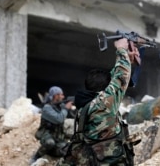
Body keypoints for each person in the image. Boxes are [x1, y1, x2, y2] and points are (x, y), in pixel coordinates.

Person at [58, 38, 140, 166]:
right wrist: (121, 50)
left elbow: (114, 79)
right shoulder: (103, 104)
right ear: (104, 90)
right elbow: (120, 77)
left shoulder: (88, 104)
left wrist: (127, 60)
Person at [31, 86, 73, 163]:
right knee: (50, 143)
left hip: (58, 138)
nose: (63, 97)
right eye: (61, 94)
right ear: (55, 96)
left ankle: (51, 152)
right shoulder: (47, 108)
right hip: (47, 136)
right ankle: (36, 156)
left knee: (68, 149)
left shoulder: (60, 106)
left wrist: (73, 108)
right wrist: (66, 108)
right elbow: (59, 119)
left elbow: (72, 116)